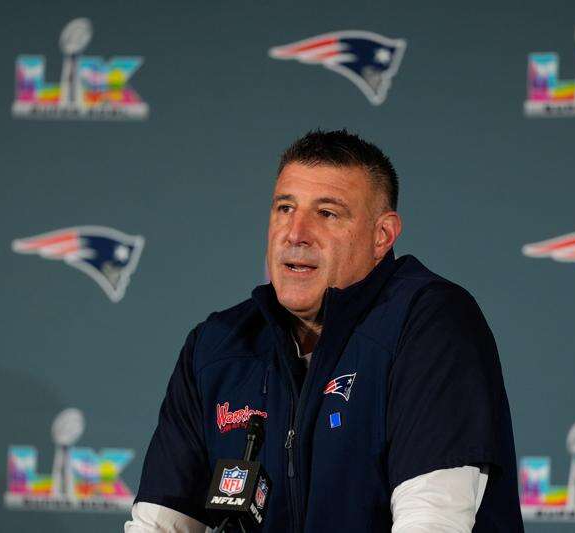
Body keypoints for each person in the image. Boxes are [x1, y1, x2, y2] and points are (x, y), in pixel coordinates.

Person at [125, 130, 524, 532]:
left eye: (327, 213)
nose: (295, 233)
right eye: (285, 208)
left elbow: (433, 522)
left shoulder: (429, 323)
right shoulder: (217, 345)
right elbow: (157, 526)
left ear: (382, 236)